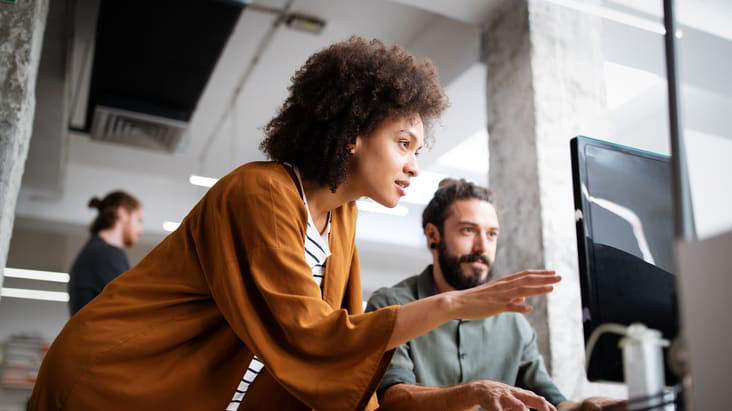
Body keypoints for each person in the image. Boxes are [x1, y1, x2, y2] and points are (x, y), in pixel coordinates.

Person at [28, 37, 561, 411]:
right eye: (403, 143)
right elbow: (311, 335)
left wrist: (464, 393)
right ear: (353, 132)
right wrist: (454, 305)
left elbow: (345, 347)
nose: (414, 166)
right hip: (117, 379)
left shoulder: (341, 218)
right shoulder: (259, 192)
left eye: (417, 150)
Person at [367, 179, 622, 411]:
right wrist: (474, 392)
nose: (482, 247)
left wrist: (584, 408)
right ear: (433, 235)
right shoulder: (392, 305)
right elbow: (393, 399)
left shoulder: (514, 321)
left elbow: (549, 399)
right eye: (468, 230)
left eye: (491, 234)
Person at [68, 191, 143, 315]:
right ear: (122, 214)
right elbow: (133, 305)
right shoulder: (104, 254)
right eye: (139, 220)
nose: (141, 230)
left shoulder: (97, 251)